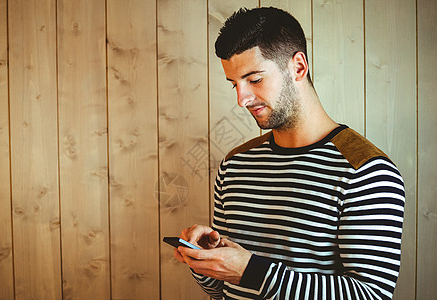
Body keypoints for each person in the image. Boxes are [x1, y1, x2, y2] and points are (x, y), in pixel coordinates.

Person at [173, 7, 405, 300]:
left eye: (254, 80)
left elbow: (372, 295)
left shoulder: (366, 172)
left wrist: (253, 271)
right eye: (234, 84)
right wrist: (205, 261)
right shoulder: (235, 165)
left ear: (298, 67)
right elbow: (222, 292)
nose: (241, 99)